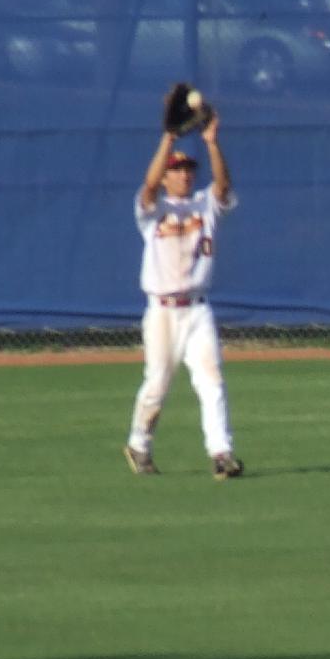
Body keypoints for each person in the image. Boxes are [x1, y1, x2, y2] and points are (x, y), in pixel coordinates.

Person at [122, 106, 244, 481]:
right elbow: (147, 186)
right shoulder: (152, 210)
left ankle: (221, 453)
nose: (184, 173)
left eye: (188, 168)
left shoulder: (205, 204)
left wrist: (211, 143)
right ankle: (139, 443)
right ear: (166, 176)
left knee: (211, 380)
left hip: (197, 310)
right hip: (162, 312)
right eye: (177, 169)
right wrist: (168, 139)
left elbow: (223, 187)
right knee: (157, 383)